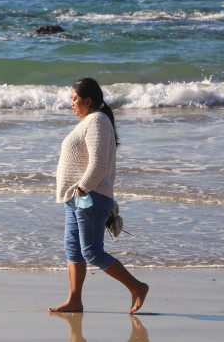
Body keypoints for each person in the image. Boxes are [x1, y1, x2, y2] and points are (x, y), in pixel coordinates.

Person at [49, 77, 149, 314]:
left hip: (90, 196)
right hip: (77, 198)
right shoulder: (88, 121)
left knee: (91, 252)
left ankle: (137, 287)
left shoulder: (97, 121)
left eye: (74, 99)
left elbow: (98, 164)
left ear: (88, 100)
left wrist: (82, 188)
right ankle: (74, 300)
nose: (71, 104)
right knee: (73, 250)